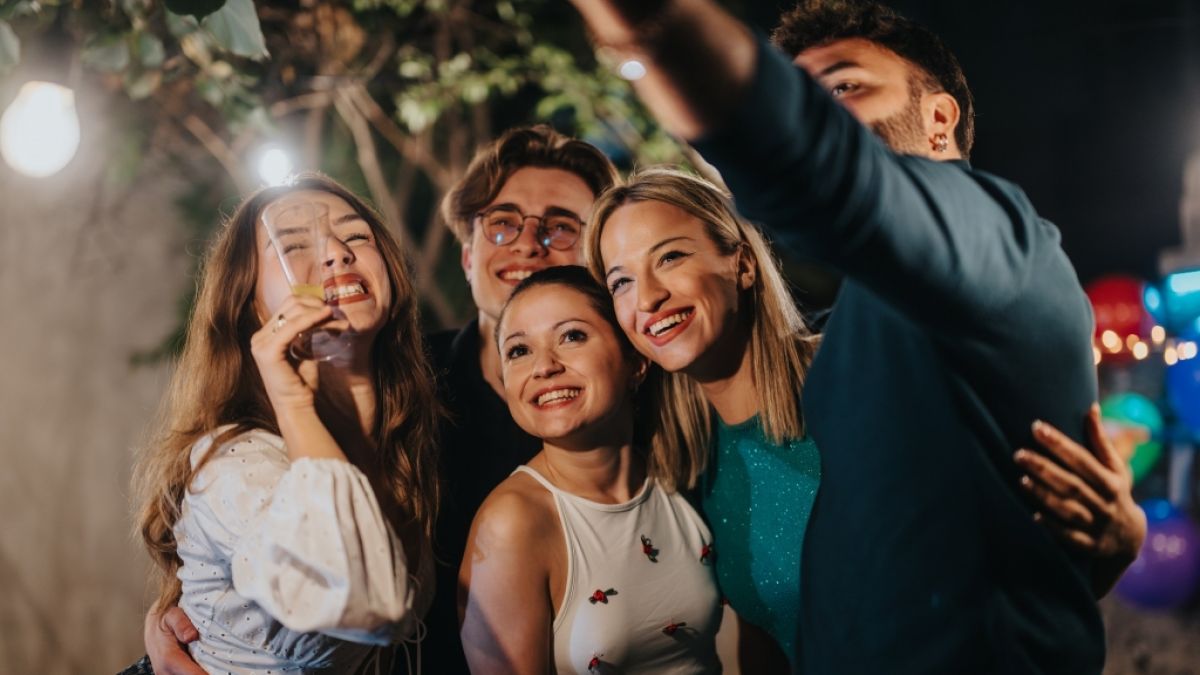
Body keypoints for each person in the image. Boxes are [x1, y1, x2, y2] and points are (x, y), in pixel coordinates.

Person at [569, 0, 1145, 671]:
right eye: (621, 280)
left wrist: (653, 29)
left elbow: (827, 169)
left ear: (939, 119)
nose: (824, 117)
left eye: (845, 88)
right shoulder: (855, 331)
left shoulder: (996, 233)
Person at [140, 126, 621, 675]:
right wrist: (186, 626)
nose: (528, 243)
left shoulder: (399, 407)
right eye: (503, 223)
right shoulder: (426, 388)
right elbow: (265, 559)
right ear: (468, 256)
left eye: (562, 228)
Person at [130, 174, 441, 673]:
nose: (337, 252)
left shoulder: (398, 443)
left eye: (356, 235)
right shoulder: (237, 463)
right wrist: (293, 399)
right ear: (249, 304)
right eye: (293, 243)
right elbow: (369, 603)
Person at [459, 265, 722, 674]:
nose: (543, 366)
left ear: (635, 361)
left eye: (572, 336)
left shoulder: (678, 474)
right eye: (518, 350)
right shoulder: (513, 524)